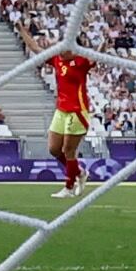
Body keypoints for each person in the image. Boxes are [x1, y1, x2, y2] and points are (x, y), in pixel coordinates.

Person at [45, 44, 94, 193]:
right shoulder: (56, 60)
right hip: (61, 110)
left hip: (77, 110)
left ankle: (69, 186)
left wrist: (104, 44)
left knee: (68, 150)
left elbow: (97, 57)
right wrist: (22, 30)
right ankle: (79, 173)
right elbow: (36, 50)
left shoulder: (81, 62)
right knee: (54, 149)